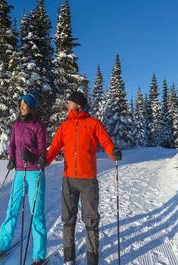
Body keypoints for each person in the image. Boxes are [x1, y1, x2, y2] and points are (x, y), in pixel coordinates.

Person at [42, 91, 122, 265]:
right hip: (68, 179)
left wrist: (113, 152)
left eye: (69, 102)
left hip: (88, 180)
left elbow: (106, 141)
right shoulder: (65, 126)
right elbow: (54, 147)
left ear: (78, 105)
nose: (67, 105)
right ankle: (69, 258)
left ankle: (92, 259)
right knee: (67, 219)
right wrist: (44, 161)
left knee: (91, 220)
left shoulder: (93, 123)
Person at [0, 93, 47, 265]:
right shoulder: (16, 125)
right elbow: (12, 144)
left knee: (36, 214)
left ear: (31, 107)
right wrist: (11, 158)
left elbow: (43, 151)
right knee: (12, 210)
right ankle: (2, 246)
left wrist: (33, 157)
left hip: (35, 173)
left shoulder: (38, 126)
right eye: (20, 105)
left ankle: (39, 255)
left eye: (24, 105)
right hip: (19, 174)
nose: (21, 108)